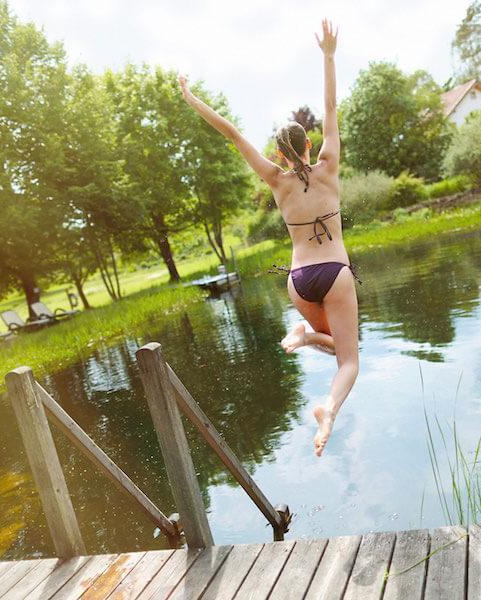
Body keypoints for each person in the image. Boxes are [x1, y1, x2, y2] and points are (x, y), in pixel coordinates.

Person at [178, 20, 358, 457]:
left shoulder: (275, 180)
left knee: (335, 341)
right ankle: (329, 409)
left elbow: (233, 135)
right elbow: (331, 106)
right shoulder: (328, 165)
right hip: (334, 273)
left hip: (298, 281)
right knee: (349, 361)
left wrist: (191, 98)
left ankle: (304, 332)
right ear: (310, 142)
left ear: (278, 153)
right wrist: (329, 55)